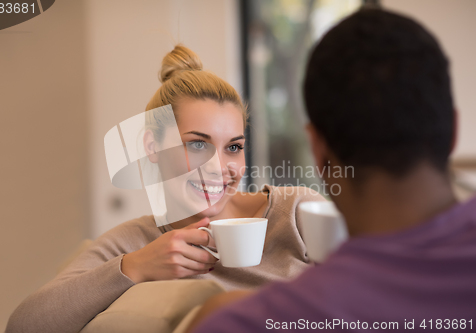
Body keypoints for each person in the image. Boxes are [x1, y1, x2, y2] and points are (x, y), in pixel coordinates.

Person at [189, 8, 476, 333]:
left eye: (234, 146)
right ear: (453, 131)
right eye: (198, 145)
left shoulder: (239, 322)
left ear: (318, 152)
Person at [5, 45, 324, 333]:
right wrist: (135, 266)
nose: (218, 166)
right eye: (198, 144)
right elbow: (24, 325)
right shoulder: (136, 242)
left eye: (233, 147)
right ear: (152, 146)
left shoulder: (297, 212)